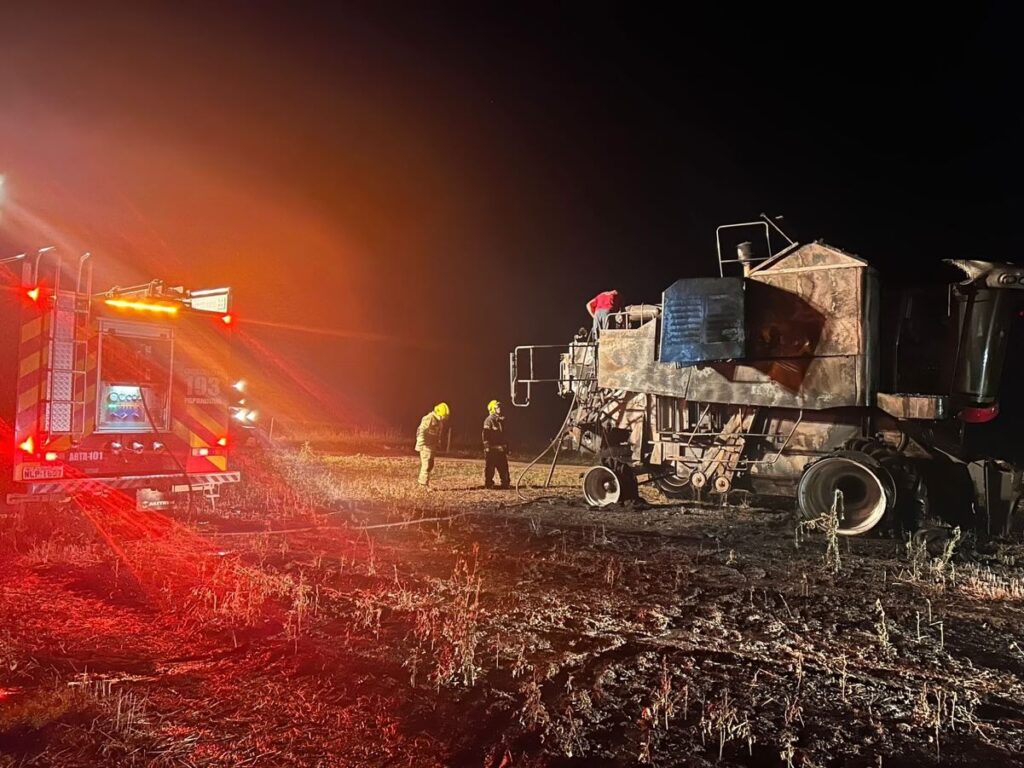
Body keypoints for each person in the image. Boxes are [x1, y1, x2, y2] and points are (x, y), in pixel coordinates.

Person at [415, 402, 450, 488]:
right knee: (426, 464)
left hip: (432, 446)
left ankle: (424, 482)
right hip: (425, 445)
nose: (444, 419)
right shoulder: (429, 418)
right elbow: (421, 430)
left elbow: (438, 434)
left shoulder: (439, 422)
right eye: (443, 417)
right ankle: (423, 484)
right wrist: (420, 444)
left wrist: (438, 443)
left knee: (430, 465)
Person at [482, 399, 510, 489]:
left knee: (504, 468)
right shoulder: (489, 420)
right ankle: (489, 484)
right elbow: (485, 436)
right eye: (497, 407)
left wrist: (506, 447)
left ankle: (505, 483)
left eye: (500, 407)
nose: (499, 409)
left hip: (501, 450)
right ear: (492, 409)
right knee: (490, 468)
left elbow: (504, 435)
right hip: (492, 450)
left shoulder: (501, 420)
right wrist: (488, 448)